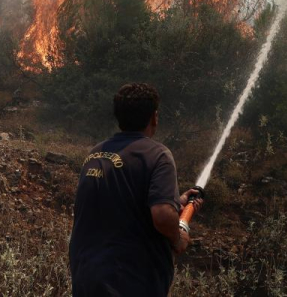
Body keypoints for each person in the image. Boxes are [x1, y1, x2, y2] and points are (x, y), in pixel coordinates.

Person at [68, 83, 203, 297]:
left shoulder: (95, 154)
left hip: (87, 277)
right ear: (154, 117)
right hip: (130, 282)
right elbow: (160, 215)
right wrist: (178, 238)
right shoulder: (158, 155)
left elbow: (118, 200)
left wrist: (176, 201)